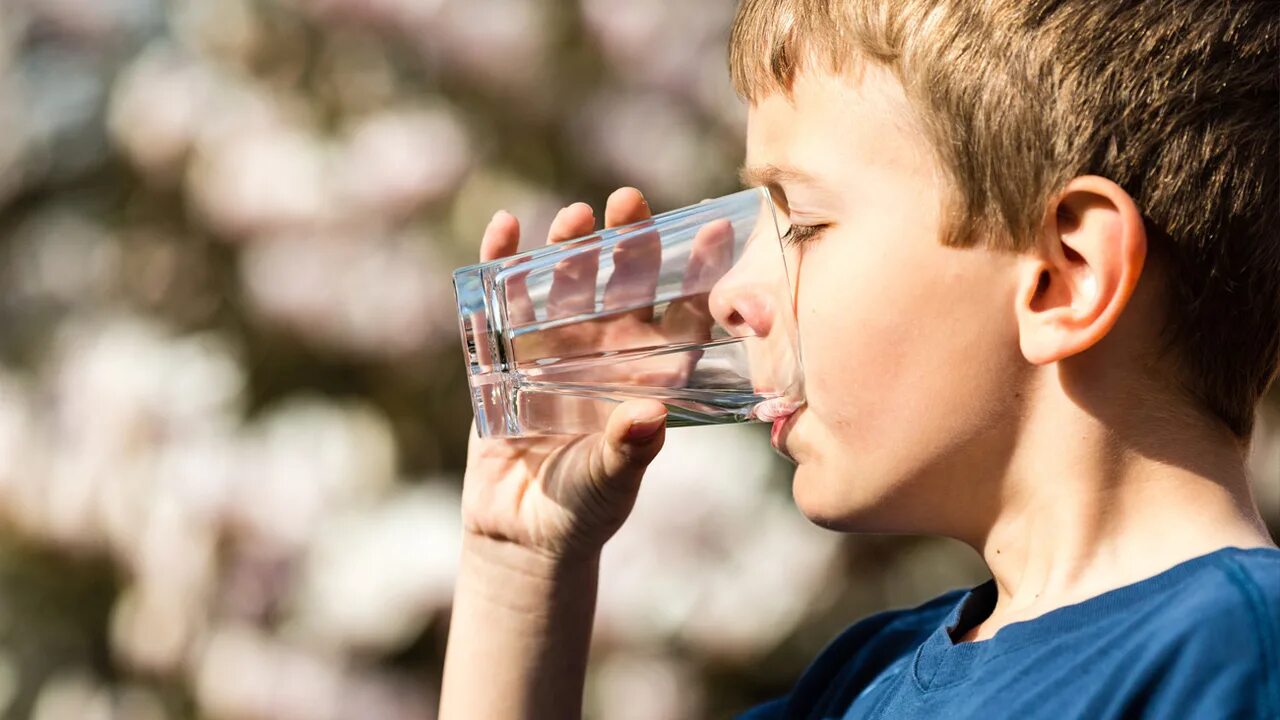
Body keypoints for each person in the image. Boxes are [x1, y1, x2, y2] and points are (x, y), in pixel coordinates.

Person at [439, 0, 1280, 717]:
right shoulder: (857, 681)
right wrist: (518, 567)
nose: (728, 292)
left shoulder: (1229, 655)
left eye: (801, 225)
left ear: (1065, 276)